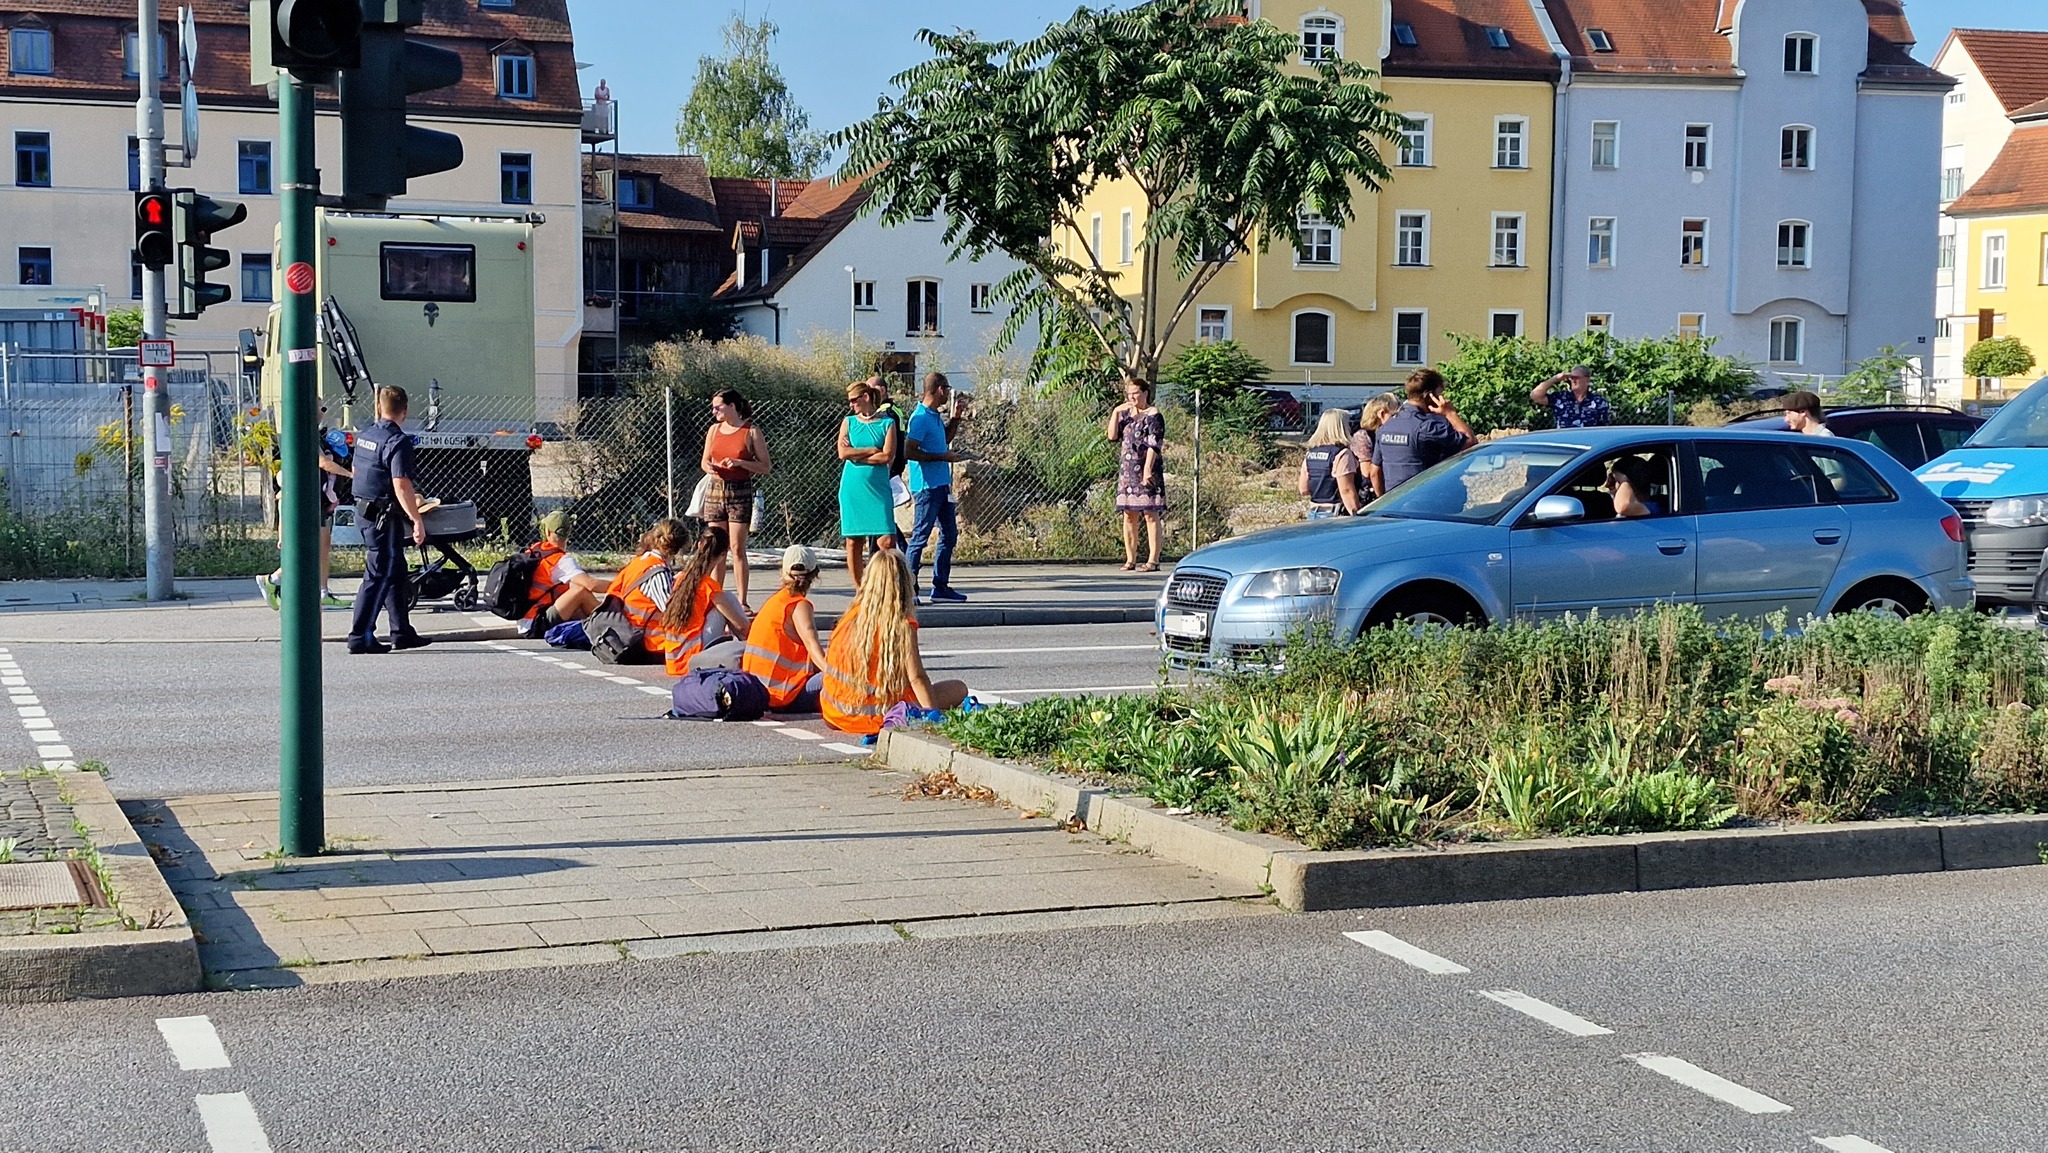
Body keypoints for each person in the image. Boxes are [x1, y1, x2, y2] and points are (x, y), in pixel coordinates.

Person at [822, 552, 969, 738]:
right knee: (958, 688)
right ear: (904, 583)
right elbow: (917, 678)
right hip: (875, 716)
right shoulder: (901, 624)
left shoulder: (852, 614)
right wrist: (933, 716)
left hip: (834, 713)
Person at [347, 386, 431, 655]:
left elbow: (357, 470)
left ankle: (401, 631)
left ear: (380, 408)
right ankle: (360, 635)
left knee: (395, 571)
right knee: (379, 574)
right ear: (404, 410)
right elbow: (401, 483)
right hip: (383, 518)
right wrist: (417, 520)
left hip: (365, 512)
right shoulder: (398, 441)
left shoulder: (366, 435)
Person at [257, 403, 353, 611]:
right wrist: (351, 475)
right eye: (320, 407)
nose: (323, 412)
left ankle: (323, 591)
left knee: (323, 546)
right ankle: (272, 580)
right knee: (306, 552)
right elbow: (322, 462)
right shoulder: (303, 434)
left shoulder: (316, 434)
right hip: (305, 499)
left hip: (320, 498)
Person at [904, 372, 977, 602]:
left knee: (950, 534)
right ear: (939, 390)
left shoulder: (934, 416)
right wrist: (942, 458)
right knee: (920, 538)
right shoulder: (919, 418)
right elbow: (910, 451)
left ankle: (940, 587)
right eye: (946, 388)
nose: (948, 393)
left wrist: (955, 419)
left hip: (941, 486)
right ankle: (908, 590)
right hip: (926, 488)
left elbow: (943, 440)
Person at [698, 388, 772, 608]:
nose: (714, 412)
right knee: (716, 547)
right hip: (715, 490)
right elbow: (704, 460)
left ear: (732, 406)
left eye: (718, 407)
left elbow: (766, 466)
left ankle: (742, 601)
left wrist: (741, 464)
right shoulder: (714, 430)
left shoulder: (751, 431)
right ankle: (714, 597)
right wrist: (710, 468)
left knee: (737, 548)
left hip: (739, 492)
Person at [741, 545, 831, 713]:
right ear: (815, 574)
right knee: (842, 674)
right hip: (785, 696)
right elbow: (813, 648)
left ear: (782, 572)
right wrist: (839, 676)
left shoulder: (776, 601)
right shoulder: (799, 606)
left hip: (759, 691)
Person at [658, 525, 752, 676]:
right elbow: (740, 626)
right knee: (726, 599)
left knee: (720, 603)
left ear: (698, 545)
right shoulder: (709, 586)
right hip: (692, 658)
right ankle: (754, 649)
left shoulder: (681, 578)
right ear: (723, 555)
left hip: (673, 660)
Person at [1373, 369, 1476, 493]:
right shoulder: (1428, 427)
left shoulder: (1386, 427)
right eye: (1440, 394)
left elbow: (1375, 472)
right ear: (1429, 396)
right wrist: (1450, 413)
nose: (1443, 398)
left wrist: (1382, 503)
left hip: (1394, 503)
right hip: (1425, 502)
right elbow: (1470, 441)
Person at [837, 380, 899, 586]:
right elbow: (843, 453)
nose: (851, 405)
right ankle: (859, 589)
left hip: (878, 489)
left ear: (865, 398)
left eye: (854, 400)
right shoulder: (849, 422)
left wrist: (857, 456)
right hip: (853, 488)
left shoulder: (887, 423)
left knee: (887, 542)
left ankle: (882, 585)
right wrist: (872, 450)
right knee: (854, 541)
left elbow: (887, 456)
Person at [602, 517, 687, 662]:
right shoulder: (658, 572)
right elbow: (672, 612)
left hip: (626, 634)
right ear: (678, 549)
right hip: (649, 643)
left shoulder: (639, 562)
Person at [1107, 377, 1166, 572]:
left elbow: (1153, 444)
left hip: (1146, 468)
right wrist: (1116, 411)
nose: (1132, 397)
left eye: (1136, 393)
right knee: (1129, 515)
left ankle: (1153, 560)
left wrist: (1148, 469)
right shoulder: (1126, 415)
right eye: (1129, 393)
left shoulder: (1153, 415)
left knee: (1150, 514)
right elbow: (1112, 436)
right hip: (1128, 471)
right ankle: (1130, 559)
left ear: (1145, 393)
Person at [517, 509, 606, 638]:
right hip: (536, 623)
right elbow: (591, 584)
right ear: (569, 533)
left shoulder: (535, 549)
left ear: (547, 531)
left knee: (578, 593)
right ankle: (611, 623)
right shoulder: (561, 561)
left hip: (526, 619)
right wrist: (623, 584)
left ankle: (603, 624)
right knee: (581, 591)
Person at [1299, 408, 1363, 518]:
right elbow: (1346, 491)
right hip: (1335, 513)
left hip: (1314, 512)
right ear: (1342, 427)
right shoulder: (1342, 454)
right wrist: (1357, 516)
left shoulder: (1310, 454)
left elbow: (1303, 489)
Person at [1349, 392, 1402, 500]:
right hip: (1372, 494)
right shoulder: (1363, 436)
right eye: (1393, 415)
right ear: (1381, 414)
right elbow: (1368, 472)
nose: (1397, 419)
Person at [1531, 365, 1613, 428]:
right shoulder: (1562, 398)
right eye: (1571, 378)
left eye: (1576, 378)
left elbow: (1604, 429)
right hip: (1564, 444)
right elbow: (1535, 395)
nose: (1573, 381)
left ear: (1587, 380)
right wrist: (1555, 379)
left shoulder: (1599, 402)